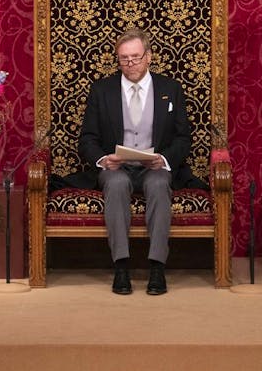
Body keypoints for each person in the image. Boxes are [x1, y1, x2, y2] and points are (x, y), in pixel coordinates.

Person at [78, 27, 192, 295]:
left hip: (154, 167)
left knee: (159, 183)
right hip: (117, 167)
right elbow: (87, 139)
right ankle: (121, 266)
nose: (130, 64)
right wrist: (104, 159)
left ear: (149, 56)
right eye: (124, 59)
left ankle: (157, 268)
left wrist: (163, 158)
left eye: (136, 57)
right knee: (116, 184)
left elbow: (183, 138)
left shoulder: (170, 89)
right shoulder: (102, 90)